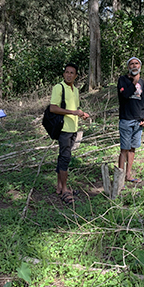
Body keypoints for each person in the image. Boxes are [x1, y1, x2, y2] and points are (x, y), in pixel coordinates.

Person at [49, 63, 89, 204]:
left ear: (76, 76)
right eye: (67, 72)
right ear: (63, 74)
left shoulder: (75, 90)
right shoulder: (58, 88)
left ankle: (60, 186)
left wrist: (81, 114)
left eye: (72, 73)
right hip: (64, 129)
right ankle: (65, 189)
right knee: (65, 158)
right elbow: (53, 108)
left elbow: (74, 108)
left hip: (73, 129)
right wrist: (73, 112)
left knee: (63, 156)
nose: (69, 75)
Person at [117, 57, 144, 183]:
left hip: (138, 120)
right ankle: (119, 179)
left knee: (132, 148)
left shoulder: (142, 81)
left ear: (140, 66)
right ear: (128, 66)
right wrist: (134, 82)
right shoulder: (122, 80)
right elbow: (124, 95)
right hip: (126, 119)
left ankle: (128, 175)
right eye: (131, 64)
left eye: (136, 63)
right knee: (124, 149)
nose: (134, 66)